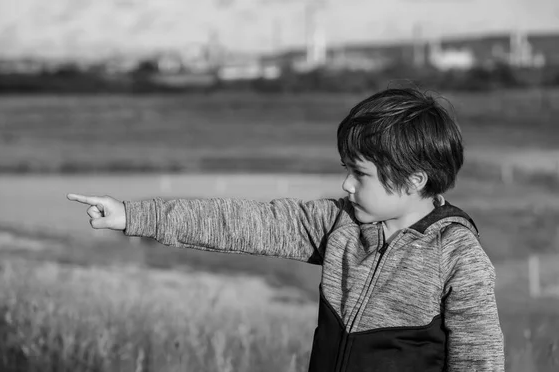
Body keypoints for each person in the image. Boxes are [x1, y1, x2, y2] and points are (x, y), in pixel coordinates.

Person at [67, 88, 504, 371]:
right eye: (345, 170)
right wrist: (133, 215)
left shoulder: (458, 257)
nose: (346, 185)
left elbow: (479, 360)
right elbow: (242, 222)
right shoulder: (341, 224)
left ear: (414, 180)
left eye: (360, 173)